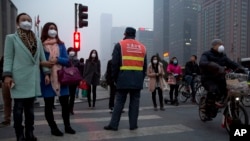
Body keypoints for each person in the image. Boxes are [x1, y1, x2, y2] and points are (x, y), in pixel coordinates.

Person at [3, 13, 50, 141]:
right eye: (24, 20)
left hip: (32, 79)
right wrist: (7, 75)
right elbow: (8, 58)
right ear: (18, 23)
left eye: (29, 20)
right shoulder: (11, 38)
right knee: (18, 109)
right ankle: (19, 134)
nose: (27, 22)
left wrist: (46, 73)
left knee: (30, 110)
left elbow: (42, 58)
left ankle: (30, 132)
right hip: (18, 78)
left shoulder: (37, 40)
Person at [104, 27, 147, 131]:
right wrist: (141, 77)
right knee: (135, 103)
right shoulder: (142, 47)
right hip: (137, 79)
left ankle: (114, 125)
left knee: (119, 102)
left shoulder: (120, 45)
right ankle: (133, 125)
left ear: (125, 34)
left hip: (123, 79)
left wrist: (115, 78)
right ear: (134, 35)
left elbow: (114, 64)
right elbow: (144, 66)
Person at [40, 22, 76, 136]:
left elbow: (67, 61)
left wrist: (57, 59)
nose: (53, 30)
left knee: (65, 104)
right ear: (46, 30)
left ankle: (67, 126)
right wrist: (46, 69)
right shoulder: (40, 45)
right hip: (47, 78)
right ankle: (53, 128)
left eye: (55, 28)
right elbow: (39, 61)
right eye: (51, 28)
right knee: (49, 105)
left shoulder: (61, 44)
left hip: (61, 78)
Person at [199, 39, 243, 120]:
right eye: (219, 44)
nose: (221, 46)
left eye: (222, 44)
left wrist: (241, 68)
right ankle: (207, 111)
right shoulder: (206, 54)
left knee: (232, 89)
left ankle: (225, 105)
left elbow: (231, 63)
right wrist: (214, 66)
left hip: (221, 78)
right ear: (214, 46)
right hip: (208, 78)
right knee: (213, 90)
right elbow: (202, 63)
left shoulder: (223, 56)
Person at [67, 47, 80, 115]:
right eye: (70, 51)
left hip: (74, 80)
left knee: (72, 96)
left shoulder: (77, 61)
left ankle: (71, 109)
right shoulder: (66, 59)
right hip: (67, 80)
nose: (71, 52)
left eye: (73, 51)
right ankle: (67, 108)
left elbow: (79, 71)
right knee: (66, 95)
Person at [0, 56, 12, 128]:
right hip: (5, 81)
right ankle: (7, 119)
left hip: (17, 81)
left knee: (19, 102)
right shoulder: (5, 57)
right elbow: (0, 68)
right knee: (7, 101)